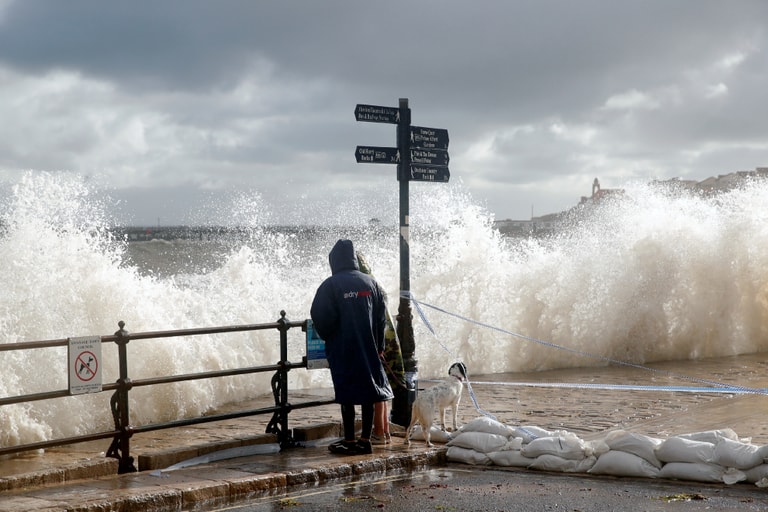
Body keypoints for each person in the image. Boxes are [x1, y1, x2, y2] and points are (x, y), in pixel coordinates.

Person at [310, 239, 394, 455]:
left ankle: (348, 441)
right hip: (369, 348)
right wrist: (379, 346)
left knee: (346, 393)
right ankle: (365, 440)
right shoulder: (371, 284)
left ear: (334, 260)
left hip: (343, 348)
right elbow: (381, 319)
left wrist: (329, 336)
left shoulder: (330, 285)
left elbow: (319, 316)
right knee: (369, 391)